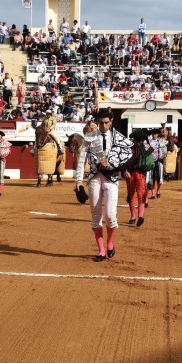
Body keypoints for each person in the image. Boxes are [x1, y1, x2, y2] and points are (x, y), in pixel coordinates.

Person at [74, 109, 132, 262]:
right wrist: (78, 181)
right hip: (94, 178)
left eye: (107, 123)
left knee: (110, 215)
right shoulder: (90, 137)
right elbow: (81, 160)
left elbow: (126, 155)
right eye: (101, 123)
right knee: (96, 216)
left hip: (111, 178)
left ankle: (110, 243)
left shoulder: (118, 138)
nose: (104, 126)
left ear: (111, 121)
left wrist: (112, 163)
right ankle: (101, 250)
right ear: (97, 122)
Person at [125, 129, 156, 227]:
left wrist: (125, 170)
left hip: (130, 173)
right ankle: (140, 216)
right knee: (141, 194)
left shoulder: (129, 148)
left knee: (131, 195)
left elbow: (124, 160)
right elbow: (153, 160)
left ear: (134, 139)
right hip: (142, 174)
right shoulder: (147, 147)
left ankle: (133, 217)